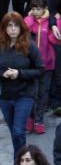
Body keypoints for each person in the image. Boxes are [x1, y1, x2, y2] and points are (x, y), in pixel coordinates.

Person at [0, 12, 44, 153]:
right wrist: (3, 73)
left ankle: (21, 164)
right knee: (14, 134)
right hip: (6, 96)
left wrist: (19, 73)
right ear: (4, 28)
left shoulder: (29, 46)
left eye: (16, 26)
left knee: (19, 131)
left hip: (25, 94)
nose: (13, 29)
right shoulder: (1, 46)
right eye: (9, 26)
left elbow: (40, 70)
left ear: (21, 27)